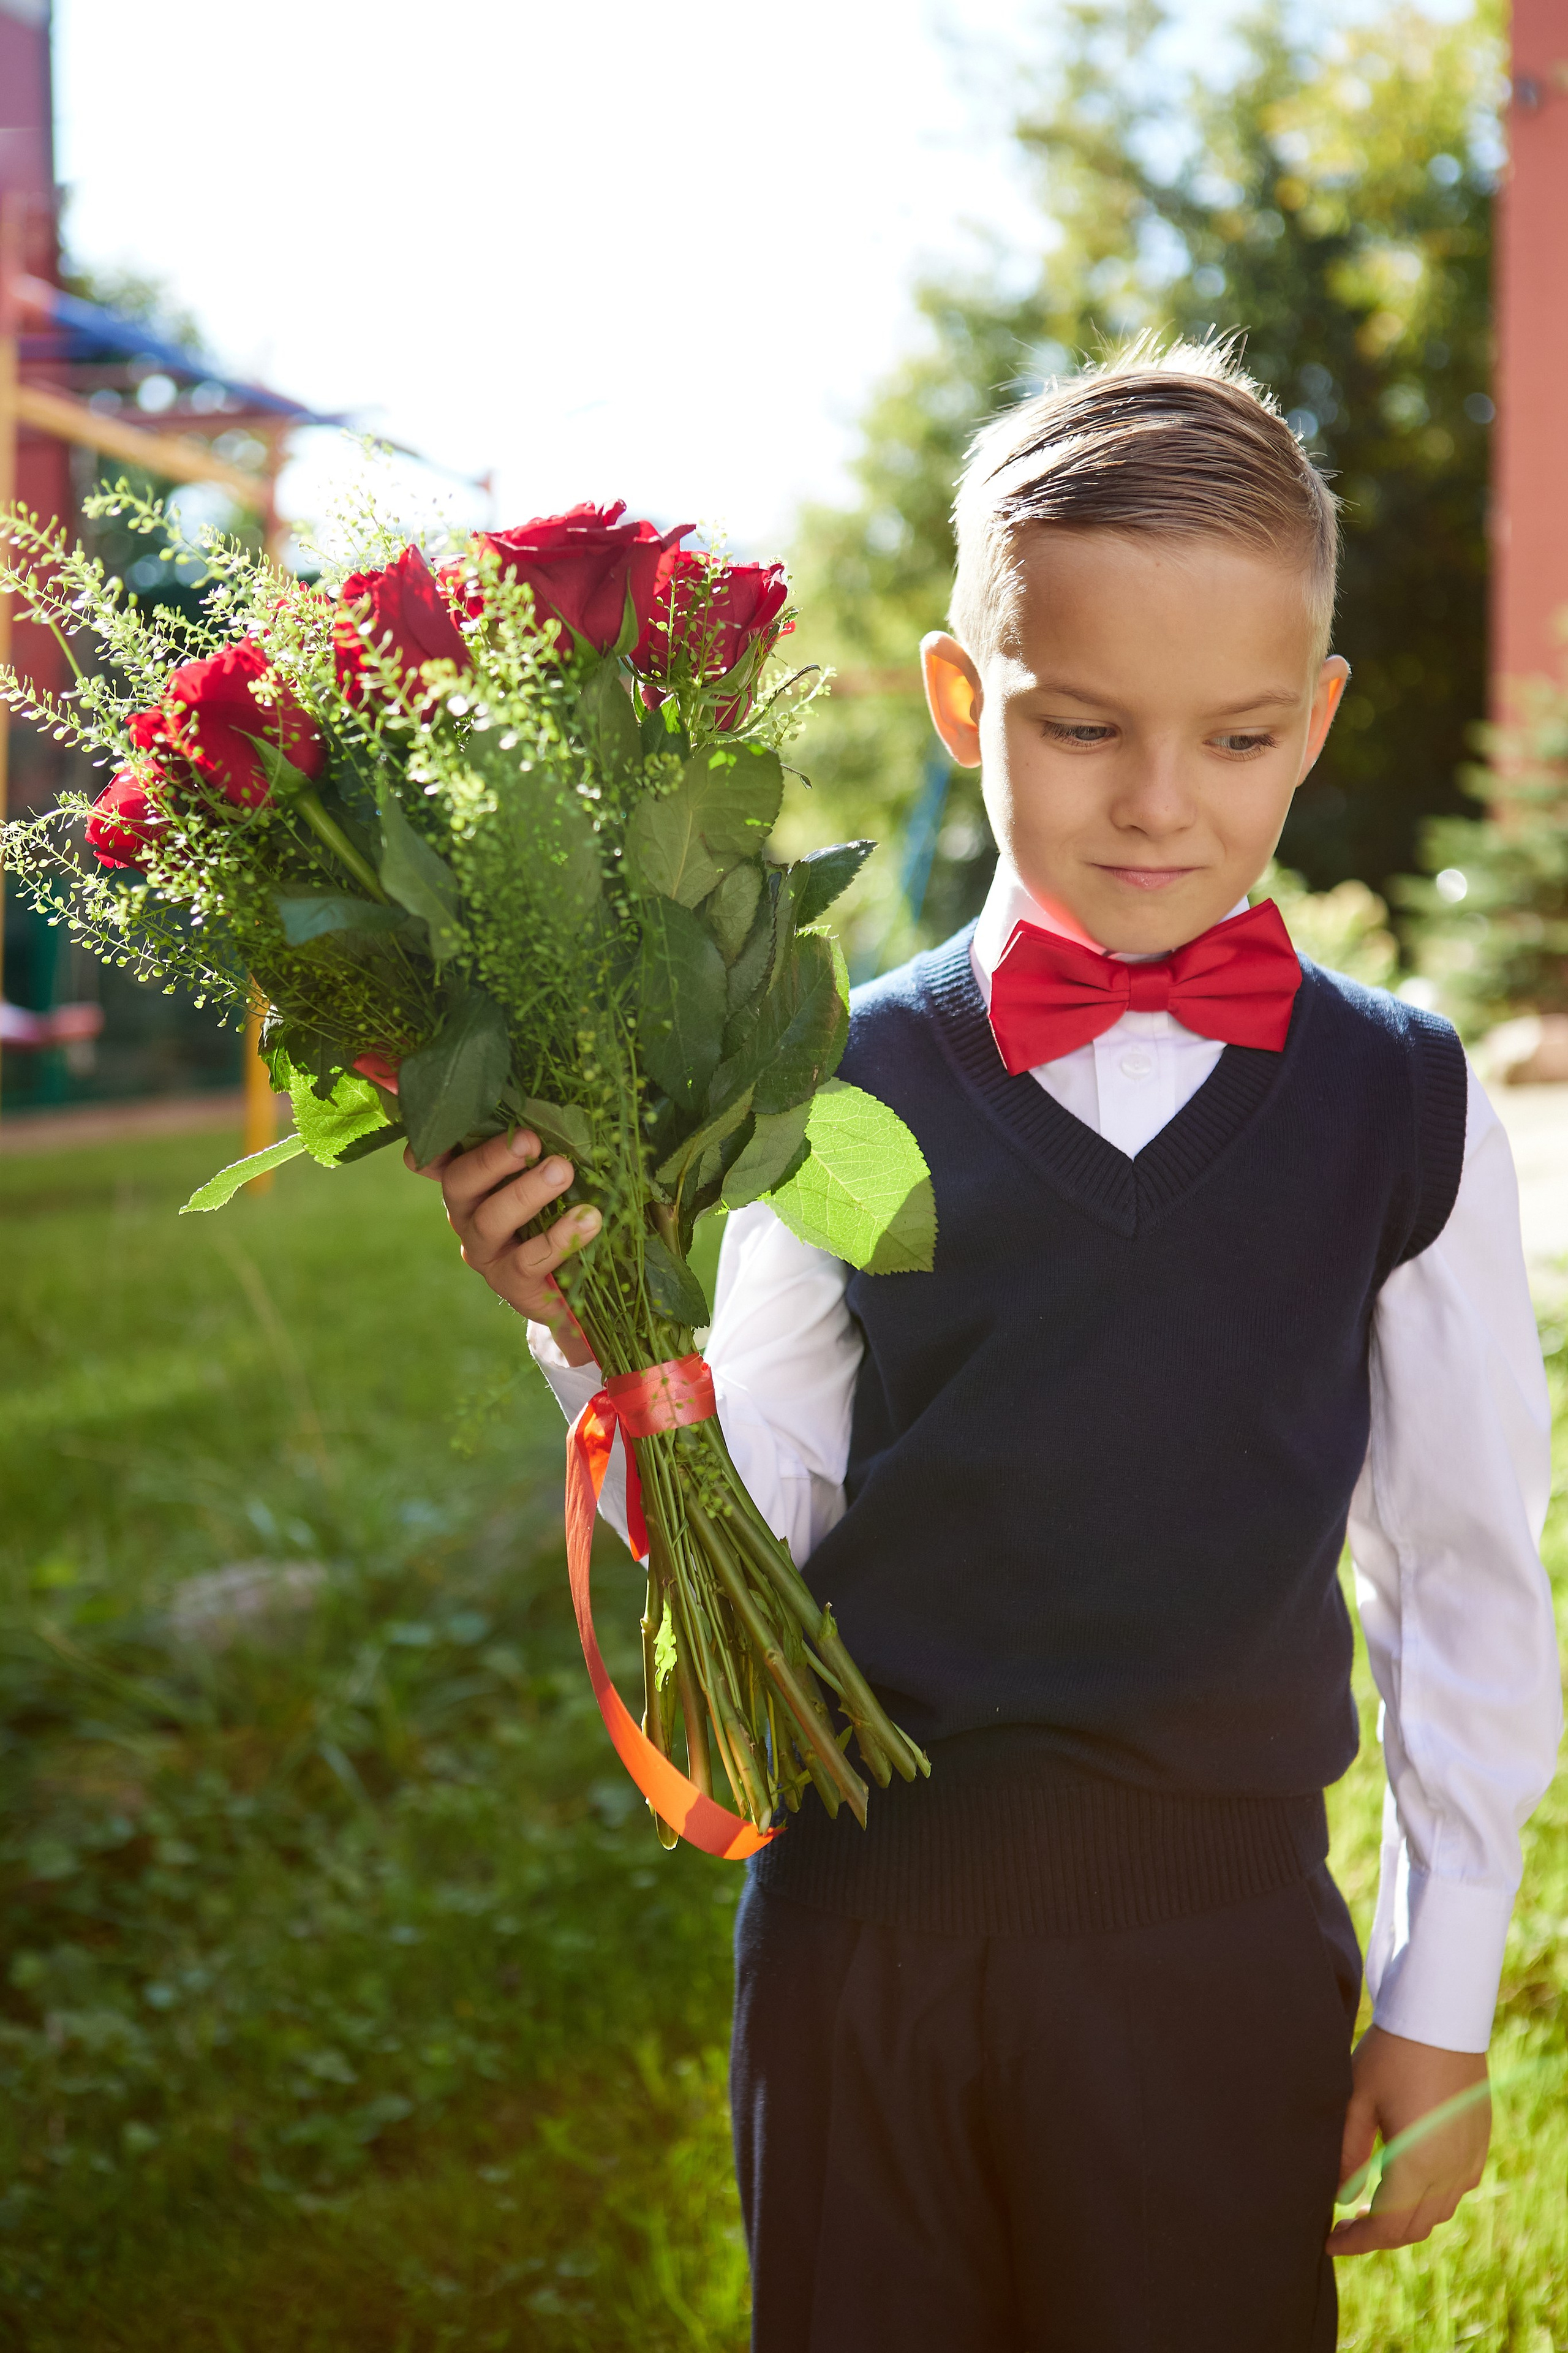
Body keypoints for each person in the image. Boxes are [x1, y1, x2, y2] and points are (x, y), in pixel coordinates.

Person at [412, 341, 1560, 2352]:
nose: (1159, 800)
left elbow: (1462, 1574)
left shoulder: (1405, 1102)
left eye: (1236, 738)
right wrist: (599, 1332)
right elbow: (759, 1523)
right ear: (964, 702)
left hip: (1217, 1957)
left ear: (1314, 725)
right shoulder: (821, 1076)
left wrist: (1441, 1995)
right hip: (865, 1954)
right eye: (1084, 724)